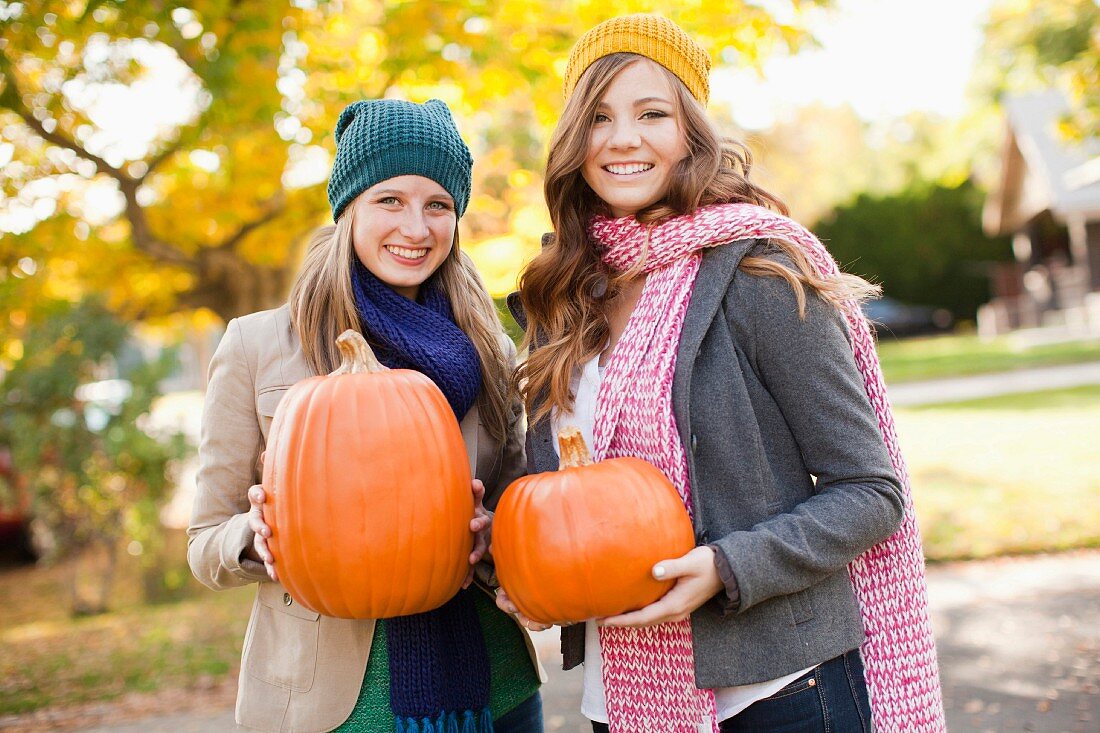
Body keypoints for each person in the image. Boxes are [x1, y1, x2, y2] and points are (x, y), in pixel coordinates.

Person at [500, 14, 945, 733]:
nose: (624, 138)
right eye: (600, 117)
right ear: (574, 141)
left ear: (691, 133)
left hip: (781, 695)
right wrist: (516, 569)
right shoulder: (563, 297)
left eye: (652, 113)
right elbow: (557, 495)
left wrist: (726, 566)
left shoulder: (758, 272)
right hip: (621, 702)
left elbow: (870, 490)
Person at [188, 98, 544, 733]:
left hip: (496, 689)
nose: (416, 227)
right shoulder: (259, 345)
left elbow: (518, 499)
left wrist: (500, 532)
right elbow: (203, 542)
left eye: (438, 205)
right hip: (334, 706)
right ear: (349, 206)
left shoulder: (488, 345)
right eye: (390, 201)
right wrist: (256, 535)